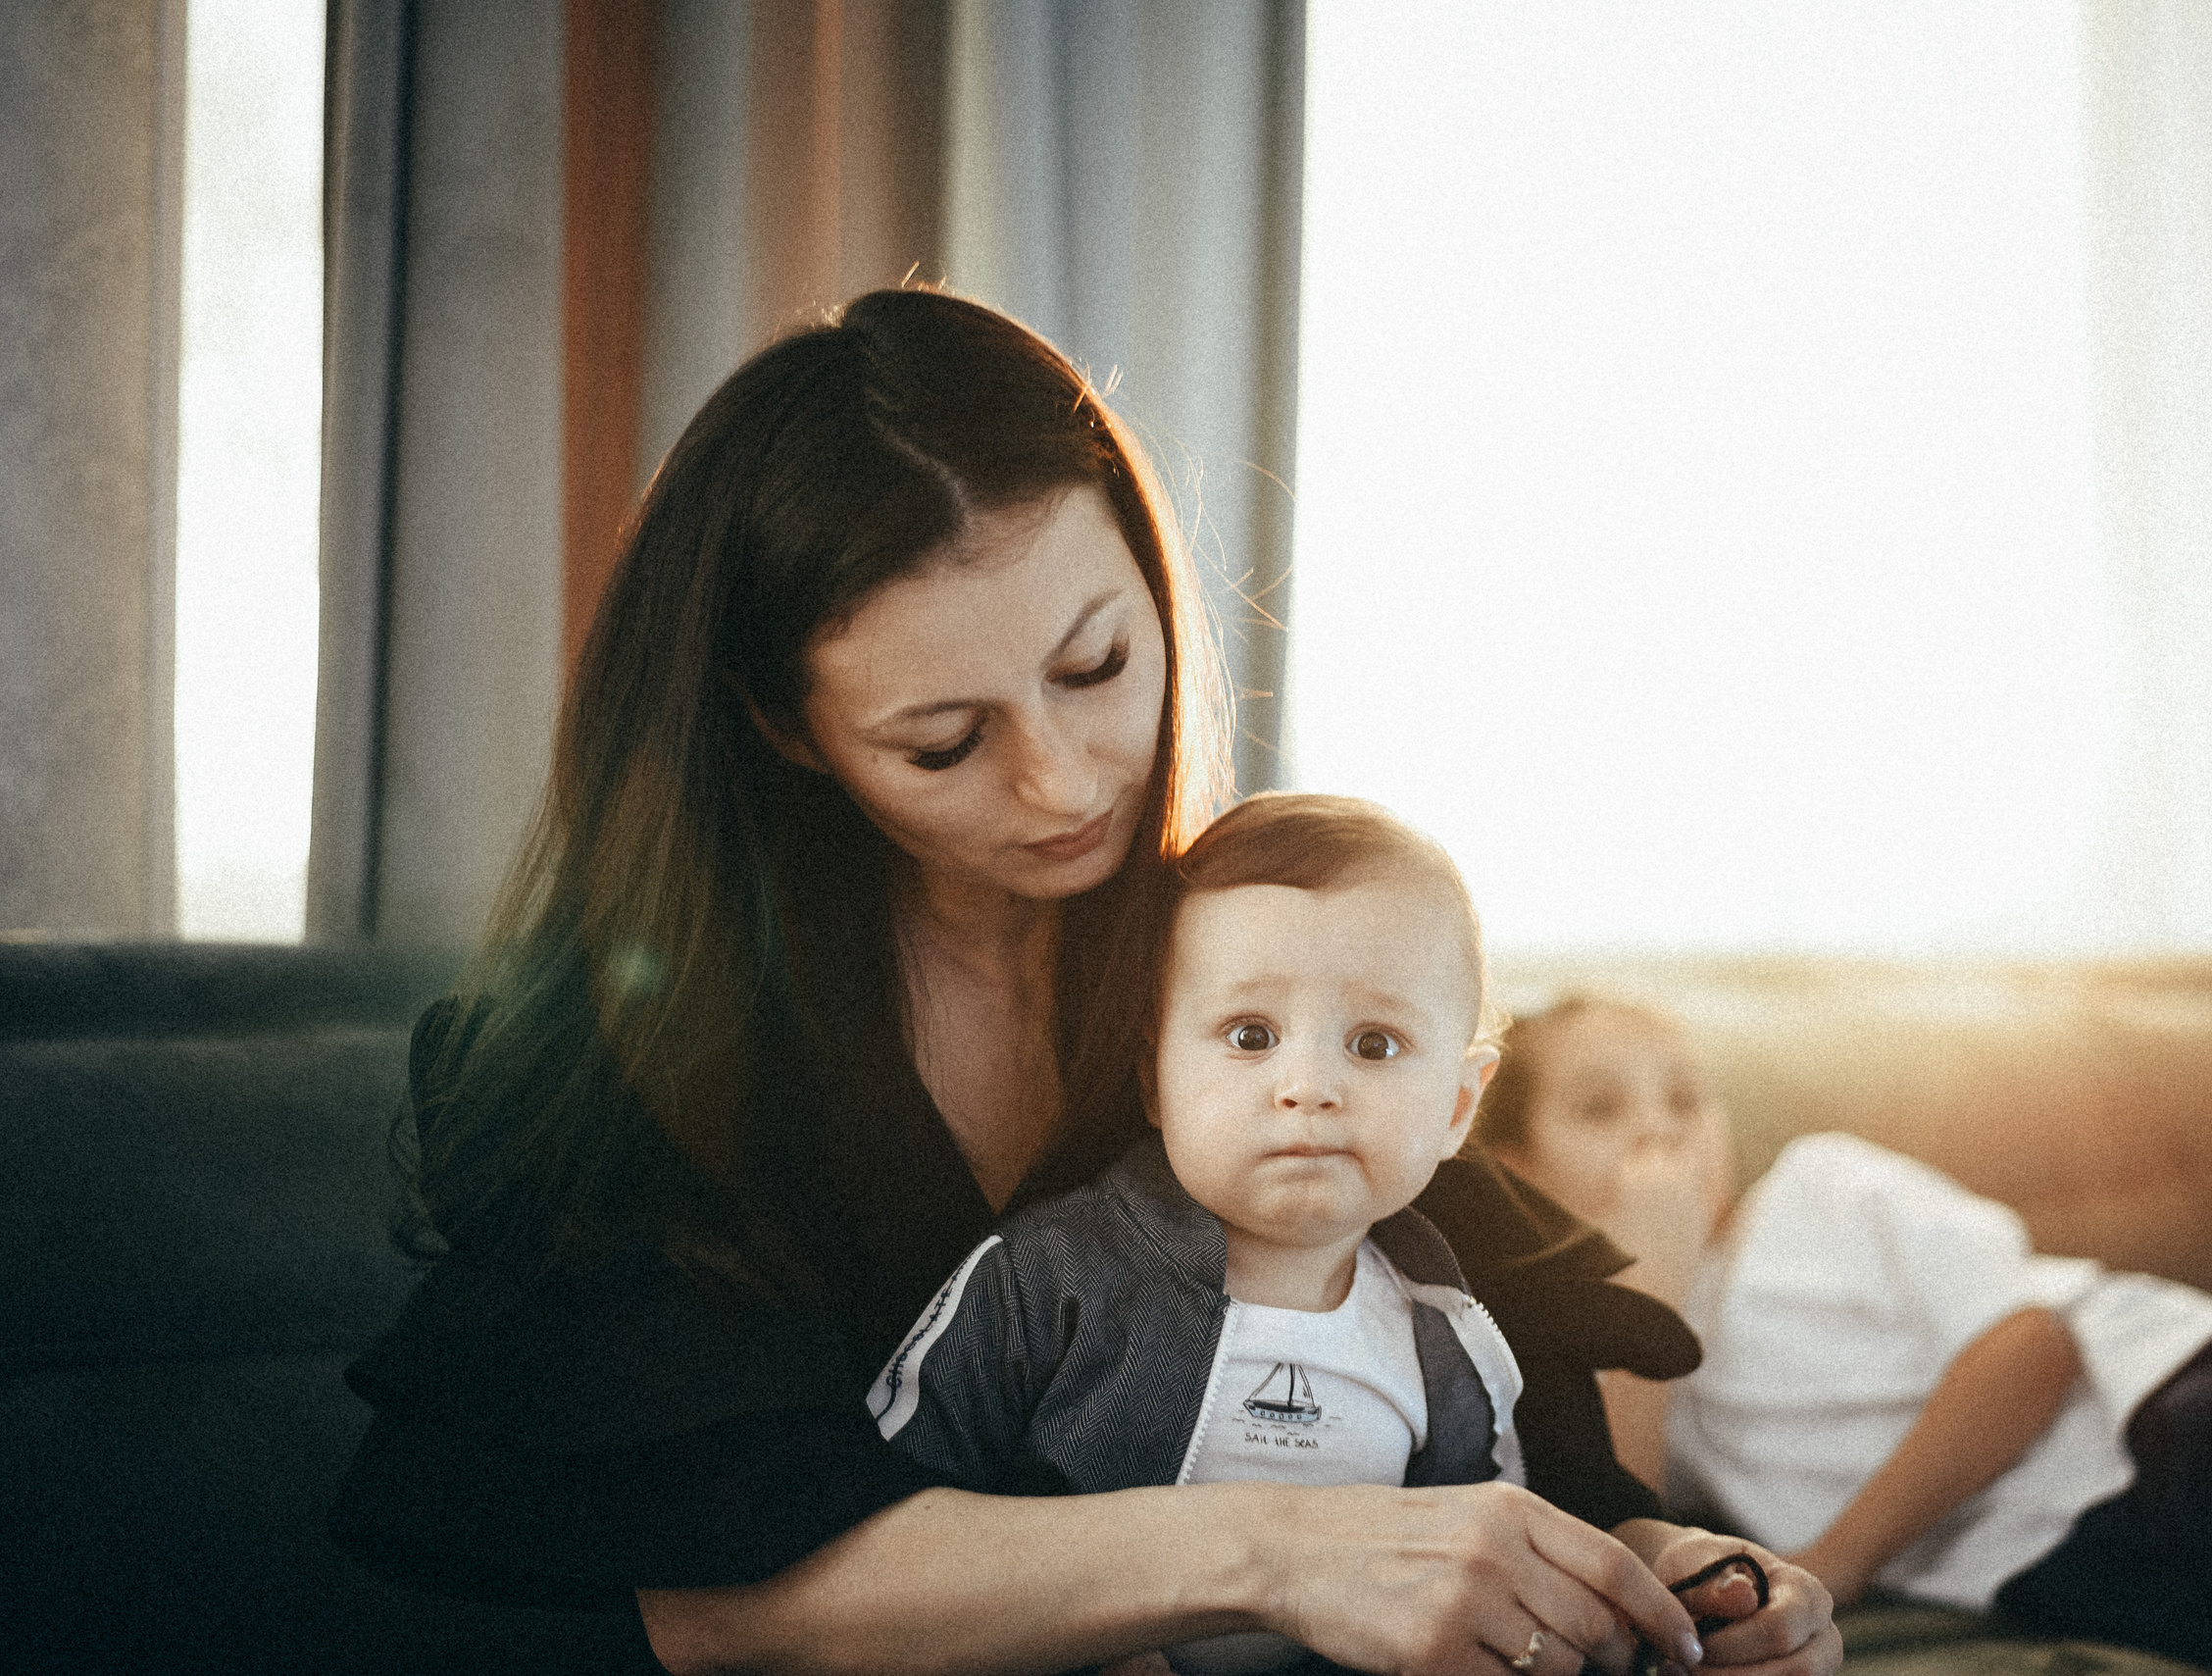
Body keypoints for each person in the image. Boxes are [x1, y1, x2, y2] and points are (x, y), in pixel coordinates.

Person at [327, 288, 1841, 1676]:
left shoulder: (1254, 973)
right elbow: (724, 1595)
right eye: (944, 741)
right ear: (786, 730)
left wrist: (1664, 1575)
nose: (1062, 781)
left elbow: (1506, 1445)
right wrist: (1275, 1551)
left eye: (1099, 665)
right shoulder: (640, 1052)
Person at [872, 794, 1767, 1675]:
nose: (1308, 1084)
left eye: (1374, 1045)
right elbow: (896, 1507)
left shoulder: (1449, 1328)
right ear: (1155, 1078)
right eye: (1250, 1035)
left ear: (1458, 1107)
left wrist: (1676, 1576)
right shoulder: (1047, 1277)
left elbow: (1504, 1547)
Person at [1481, 993, 2212, 1676]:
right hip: (2033, 1555)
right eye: (1601, 1108)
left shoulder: (1820, 1185)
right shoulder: (1605, 1355)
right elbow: (1624, 1512)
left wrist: (1834, 1559)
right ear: (1518, 1168)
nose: (1659, 1131)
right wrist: (1646, 1271)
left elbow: (2027, 1347)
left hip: (2188, 1408)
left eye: (1684, 1099)